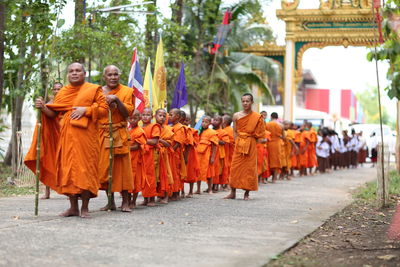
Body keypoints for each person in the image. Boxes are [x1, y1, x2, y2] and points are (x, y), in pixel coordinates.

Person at [25, 62, 108, 218]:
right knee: (68, 171)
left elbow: (104, 110)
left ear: (84, 74)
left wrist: (87, 110)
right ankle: (73, 208)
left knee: (85, 171)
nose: (74, 73)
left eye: (78, 71)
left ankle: (84, 208)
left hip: (87, 138)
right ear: (68, 75)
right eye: (71, 71)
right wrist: (43, 107)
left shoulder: (93, 89)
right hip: (66, 137)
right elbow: (53, 113)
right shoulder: (63, 92)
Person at [98, 65, 134, 212]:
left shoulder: (126, 91)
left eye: (115, 74)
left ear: (119, 76)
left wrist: (118, 101)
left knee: (122, 169)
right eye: (110, 75)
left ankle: (126, 202)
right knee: (106, 168)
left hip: (119, 133)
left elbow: (128, 113)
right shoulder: (98, 92)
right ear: (104, 77)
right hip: (103, 133)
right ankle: (110, 201)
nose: (113, 77)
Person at [224, 93, 266, 200]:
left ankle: (246, 193)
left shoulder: (257, 117)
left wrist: (251, 140)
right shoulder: (236, 115)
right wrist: (237, 141)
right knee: (235, 167)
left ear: (252, 102)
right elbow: (235, 131)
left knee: (249, 168)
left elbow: (260, 133)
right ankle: (232, 192)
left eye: (247, 101)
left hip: (251, 143)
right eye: (243, 101)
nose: (245, 103)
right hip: (239, 143)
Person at [33, 82, 63, 200]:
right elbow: (48, 116)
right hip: (52, 136)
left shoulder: (67, 100)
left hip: (65, 134)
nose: (57, 91)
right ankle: (47, 191)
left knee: (65, 163)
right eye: (55, 89)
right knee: (49, 160)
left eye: (59, 89)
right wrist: (42, 107)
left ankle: (72, 191)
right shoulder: (49, 103)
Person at [141, 108, 161, 207]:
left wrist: (142, 140)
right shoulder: (139, 128)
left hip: (151, 154)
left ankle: (152, 198)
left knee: (150, 175)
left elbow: (154, 141)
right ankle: (145, 198)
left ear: (152, 116)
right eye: (143, 114)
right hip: (141, 154)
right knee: (142, 176)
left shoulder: (154, 126)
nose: (145, 116)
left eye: (148, 114)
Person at [128, 110, 147, 209]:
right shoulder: (127, 130)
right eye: (130, 118)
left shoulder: (140, 131)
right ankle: (127, 200)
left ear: (139, 119)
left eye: (135, 118)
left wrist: (125, 148)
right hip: (127, 159)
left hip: (136, 159)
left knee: (136, 180)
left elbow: (137, 146)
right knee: (127, 179)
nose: (132, 120)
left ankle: (133, 201)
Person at [155, 108, 174, 204]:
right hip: (153, 155)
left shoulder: (168, 130)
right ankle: (156, 195)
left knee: (165, 175)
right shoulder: (152, 127)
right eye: (160, 115)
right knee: (155, 175)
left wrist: (159, 140)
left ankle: (166, 196)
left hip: (164, 155)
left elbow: (169, 144)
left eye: (164, 116)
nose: (162, 118)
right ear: (155, 116)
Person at [195, 116, 218, 194]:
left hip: (207, 156)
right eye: (203, 121)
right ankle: (198, 189)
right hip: (199, 155)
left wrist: (212, 157)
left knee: (209, 173)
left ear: (209, 123)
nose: (204, 123)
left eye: (206, 122)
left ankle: (210, 189)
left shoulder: (212, 132)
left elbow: (214, 146)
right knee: (198, 172)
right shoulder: (199, 131)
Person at [169, 109, 188, 200]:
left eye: (171, 114)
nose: (169, 116)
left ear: (177, 117)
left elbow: (178, 142)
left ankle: (176, 193)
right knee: (171, 172)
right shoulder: (170, 126)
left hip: (175, 153)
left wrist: (171, 150)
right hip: (169, 153)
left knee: (176, 173)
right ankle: (171, 191)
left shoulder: (180, 127)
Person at [211, 115, 230, 193]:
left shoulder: (223, 132)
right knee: (211, 170)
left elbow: (224, 142)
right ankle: (210, 186)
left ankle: (216, 186)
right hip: (211, 153)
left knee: (218, 170)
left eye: (217, 120)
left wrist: (216, 140)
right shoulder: (210, 131)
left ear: (221, 122)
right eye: (214, 120)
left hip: (219, 154)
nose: (214, 121)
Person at [183, 115, 200, 197]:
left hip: (191, 154)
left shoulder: (193, 131)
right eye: (184, 120)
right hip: (181, 152)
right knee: (181, 172)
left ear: (190, 121)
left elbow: (195, 142)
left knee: (191, 172)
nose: (186, 122)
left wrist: (189, 139)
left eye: (188, 120)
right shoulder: (180, 129)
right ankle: (181, 191)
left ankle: (190, 191)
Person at [265, 112, 283, 182]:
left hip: (269, 143)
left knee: (268, 160)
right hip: (277, 144)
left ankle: (266, 178)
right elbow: (283, 136)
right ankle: (274, 178)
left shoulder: (267, 124)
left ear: (271, 117)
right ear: (277, 117)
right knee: (276, 160)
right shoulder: (280, 125)